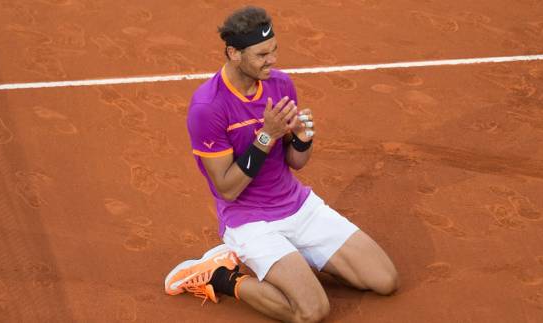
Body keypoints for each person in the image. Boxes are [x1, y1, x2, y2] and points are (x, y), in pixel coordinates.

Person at [164, 6, 398, 322]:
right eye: (262, 55)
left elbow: (296, 162)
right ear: (234, 53)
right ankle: (221, 276)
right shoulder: (208, 107)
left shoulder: (280, 85)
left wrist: (301, 138)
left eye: (274, 50)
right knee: (312, 311)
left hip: (298, 206)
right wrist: (265, 137)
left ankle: (296, 259)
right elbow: (227, 189)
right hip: (248, 221)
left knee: (384, 280)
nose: (272, 61)